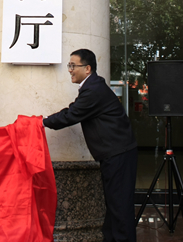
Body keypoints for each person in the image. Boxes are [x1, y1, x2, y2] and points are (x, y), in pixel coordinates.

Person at [43, 49, 138, 242]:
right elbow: (73, 111)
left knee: (119, 207)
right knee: (114, 206)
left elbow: (71, 115)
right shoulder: (93, 87)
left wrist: (42, 122)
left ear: (87, 69)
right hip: (114, 154)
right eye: (69, 65)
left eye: (73, 65)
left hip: (118, 154)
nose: (69, 70)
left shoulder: (94, 89)